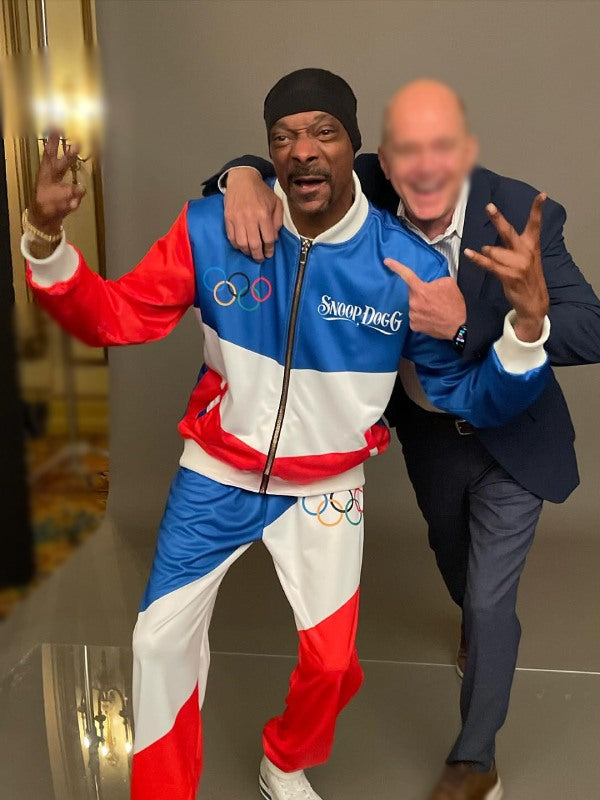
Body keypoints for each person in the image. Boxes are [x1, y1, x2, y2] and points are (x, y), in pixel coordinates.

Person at [21, 70, 551, 800]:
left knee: (332, 667)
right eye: (284, 137)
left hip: (324, 490)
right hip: (215, 476)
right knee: (157, 644)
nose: (303, 150)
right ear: (269, 152)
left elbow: (468, 396)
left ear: (354, 147)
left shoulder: (407, 266)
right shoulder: (213, 227)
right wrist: (46, 239)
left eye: (324, 132)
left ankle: (284, 760)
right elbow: (114, 317)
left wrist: (526, 330)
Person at [202, 77, 600, 800]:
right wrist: (242, 176)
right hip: (429, 435)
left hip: (514, 437)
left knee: (490, 602)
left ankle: (475, 761)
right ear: (383, 159)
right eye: (406, 152)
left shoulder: (518, 211)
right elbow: (296, 160)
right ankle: (474, 625)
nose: (424, 169)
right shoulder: (369, 187)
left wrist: (481, 321)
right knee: (455, 563)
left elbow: (591, 328)